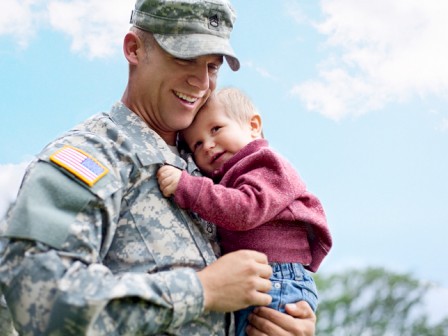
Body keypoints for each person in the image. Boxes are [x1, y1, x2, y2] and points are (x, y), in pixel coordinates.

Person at [0, 0, 317, 335]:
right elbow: (34, 296)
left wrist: (285, 317)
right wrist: (201, 290)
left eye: (212, 66)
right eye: (185, 58)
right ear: (134, 49)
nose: (200, 81)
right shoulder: (91, 154)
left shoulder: (211, 164)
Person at [157, 87, 333, 335]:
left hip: (276, 277)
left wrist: (187, 186)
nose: (207, 145)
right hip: (256, 279)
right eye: (196, 144)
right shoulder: (226, 176)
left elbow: (245, 210)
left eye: (216, 129)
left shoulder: (265, 163)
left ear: (253, 126)